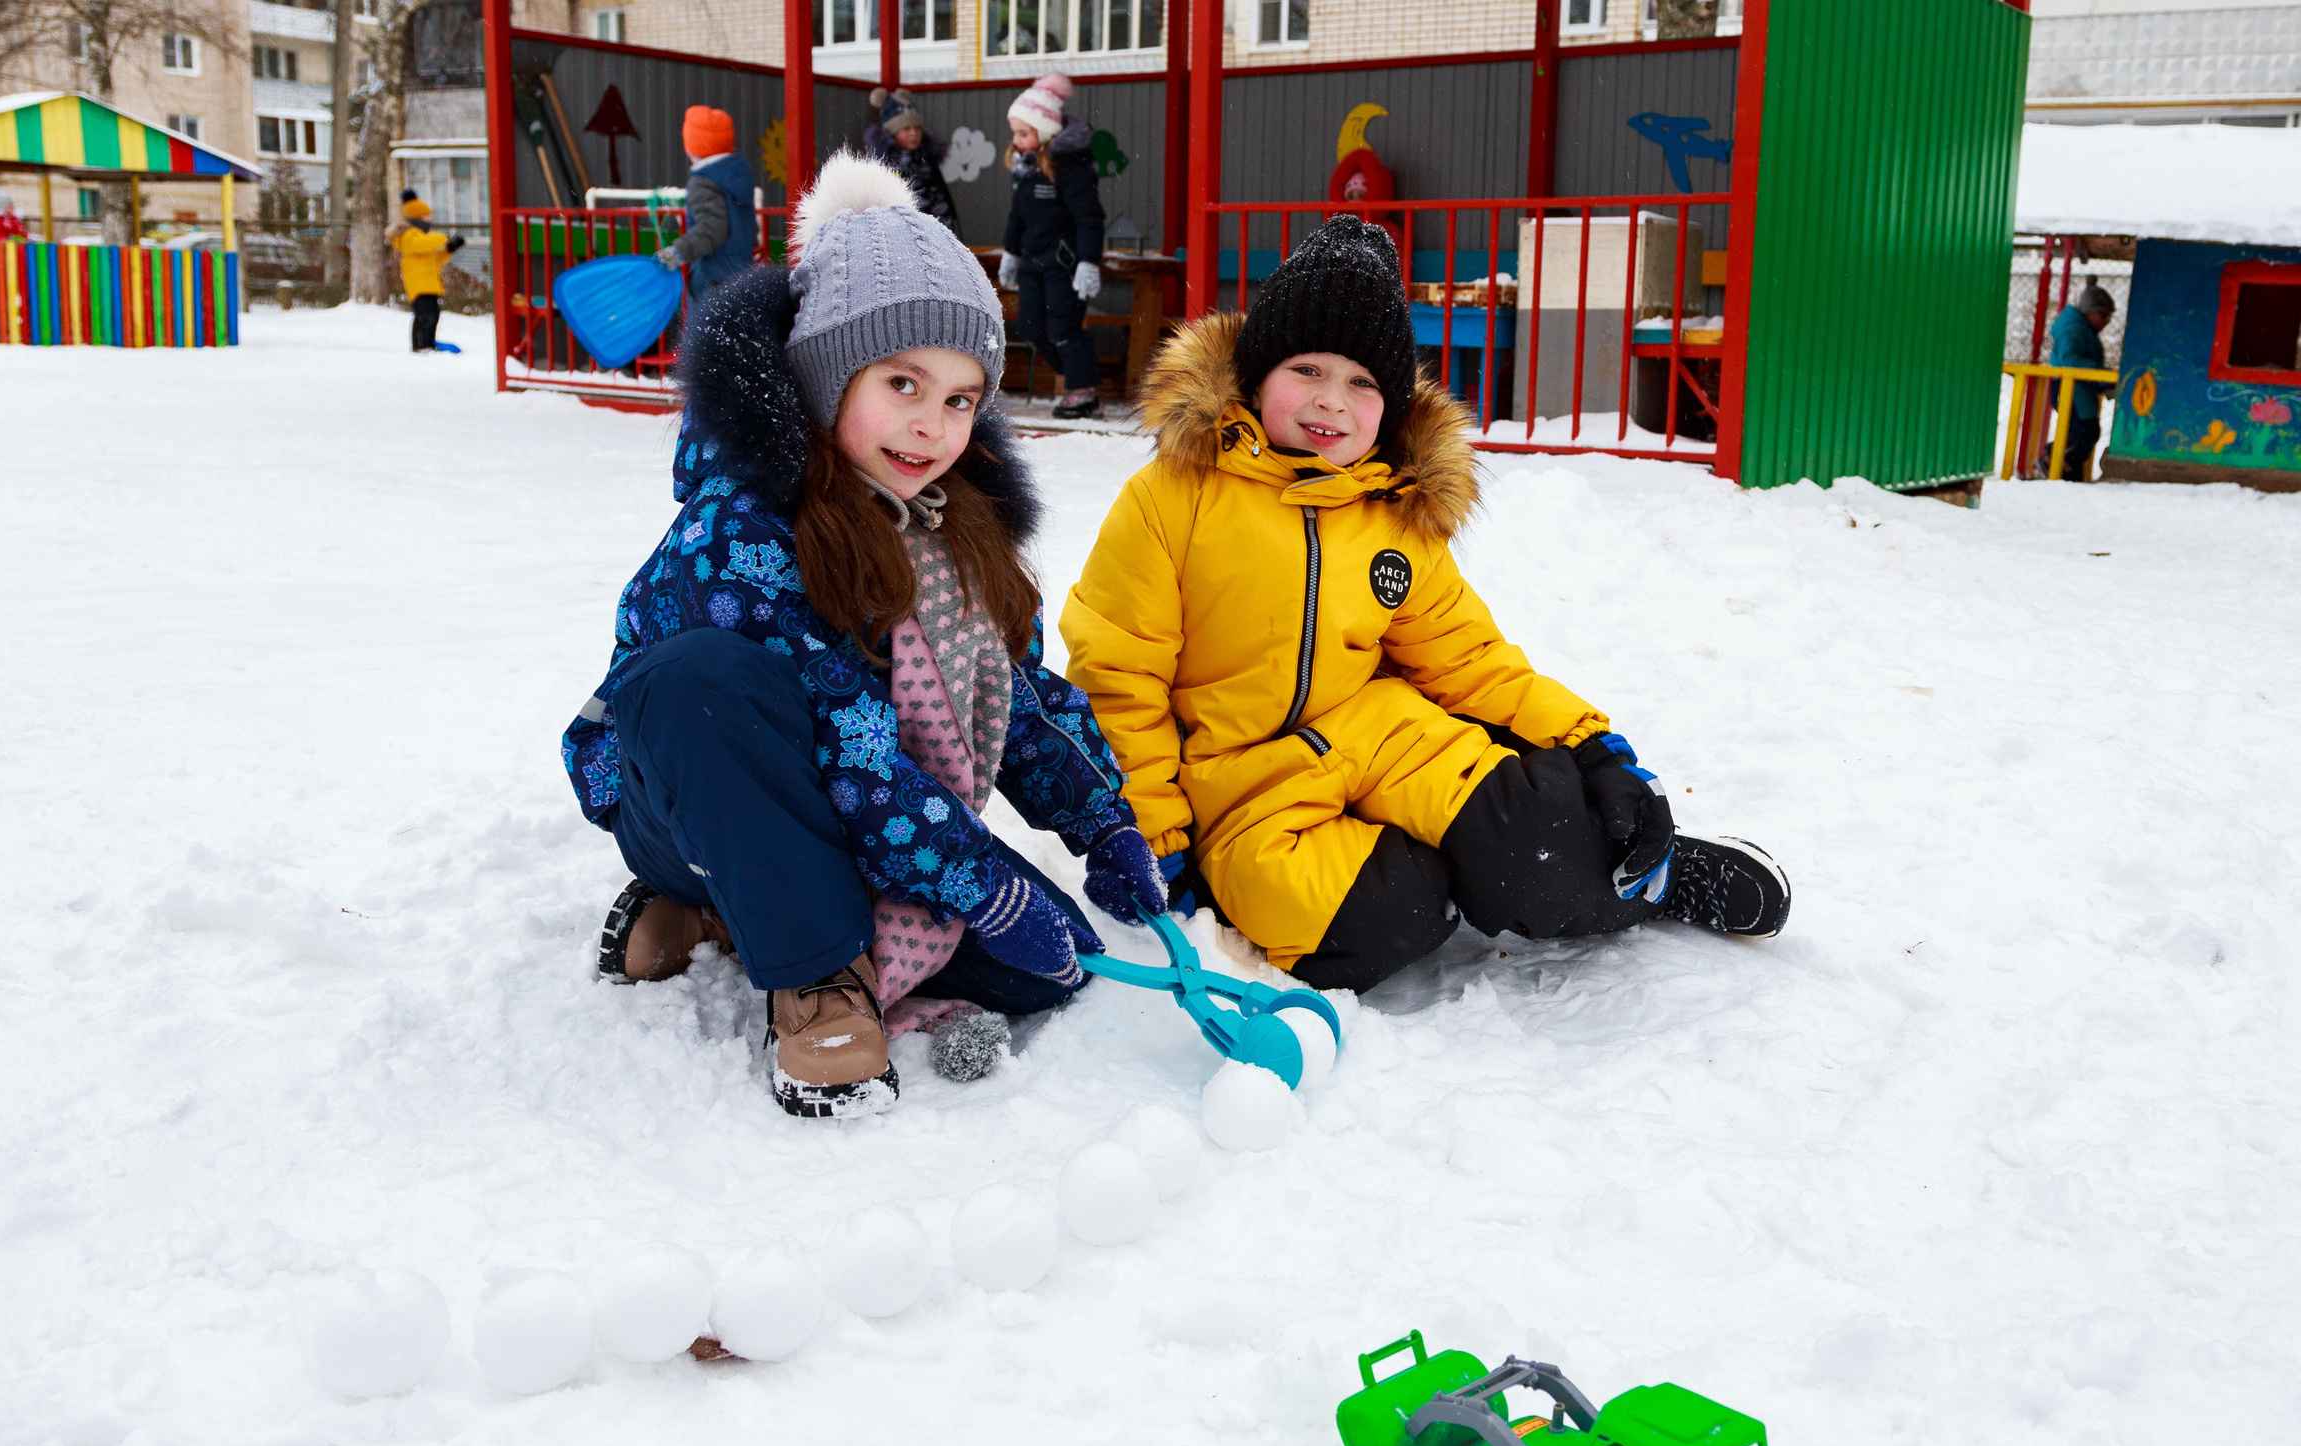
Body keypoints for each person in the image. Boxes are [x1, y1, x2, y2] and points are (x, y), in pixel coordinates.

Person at [563, 156, 1162, 1118]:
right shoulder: (745, 524)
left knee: (1052, 970)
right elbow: (854, 753)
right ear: (826, 370)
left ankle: (728, 915)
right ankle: (815, 978)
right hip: (691, 793)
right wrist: (978, 882)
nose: (932, 427)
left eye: (962, 399)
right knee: (702, 680)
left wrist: (1103, 821)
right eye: (904, 383)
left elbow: (1019, 693)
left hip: (857, 806)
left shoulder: (946, 521)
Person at [1060, 216, 1790, 996]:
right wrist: (1151, 836)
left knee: (1540, 854)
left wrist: (1592, 746)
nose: (1332, 403)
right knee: (1383, 919)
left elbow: (1468, 658)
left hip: (1383, 734)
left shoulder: (1393, 512)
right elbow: (1118, 678)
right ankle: (1446, 871)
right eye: (1307, 368)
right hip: (1239, 786)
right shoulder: (1173, 496)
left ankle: (1646, 874)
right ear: (1256, 369)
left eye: (1363, 382)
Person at [997, 74, 1107, 421]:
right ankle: (1080, 377)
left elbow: (1089, 217)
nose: (1016, 140)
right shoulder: (1025, 171)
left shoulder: (1069, 168)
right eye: (1015, 132)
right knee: (1031, 328)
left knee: (1063, 327)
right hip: (1032, 262)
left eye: (1024, 133)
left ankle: (1084, 390)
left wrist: (1088, 262)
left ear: (1045, 132)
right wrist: (1011, 252)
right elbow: (1017, 217)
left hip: (1064, 263)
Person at [657, 105, 756, 305]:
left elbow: (711, 229)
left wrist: (677, 253)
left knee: (706, 333)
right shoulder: (737, 176)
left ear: (691, 148)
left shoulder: (703, 182)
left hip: (713, 277)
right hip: (741, 272)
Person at [864, 88, 960, 235]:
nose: (913, 133)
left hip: (932, 236)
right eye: (906, 128)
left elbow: (940, 204)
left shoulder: (927, 161)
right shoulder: (880, 167)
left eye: (917, 128)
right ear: (892, 132)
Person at [2046, 283, 2115, 482]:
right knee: (2084, 431)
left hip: (2079, 389)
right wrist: (2102, 375)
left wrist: (2102, 381)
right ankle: (2051, 458)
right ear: (2090, 313)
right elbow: (2070, 361)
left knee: (2083, 431)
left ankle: (2068, 473)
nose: (2107, 322)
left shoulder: (2080, 328)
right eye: (2104, 316)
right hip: (2071, 389)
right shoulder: (2073, 329)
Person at [389, 189, 467, 354]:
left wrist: (449, 249)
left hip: (429, 283)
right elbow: (425, 244)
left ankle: (428, 343)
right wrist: (443, 238)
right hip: (419, 283)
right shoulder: (409, 237)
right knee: (425, 316)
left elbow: (436, 258)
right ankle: (421, 345)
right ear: (416, 219)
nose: (429, 220)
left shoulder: (421, 238)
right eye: (426, 217)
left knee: (432, 315)